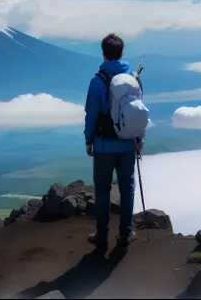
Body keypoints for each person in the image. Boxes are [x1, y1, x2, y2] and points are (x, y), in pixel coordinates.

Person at [84, 33, 145, 248]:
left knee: (102, 190)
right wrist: (139, 138)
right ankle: (126, 233)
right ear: (122, 53)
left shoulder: (97, 81)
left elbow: (91, 113)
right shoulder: (133, 79)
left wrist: (88, 140)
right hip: (128, 143)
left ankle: (102, 234)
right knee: (127, 189)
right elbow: (138, 112)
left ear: (103, 54)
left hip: (103, 145)